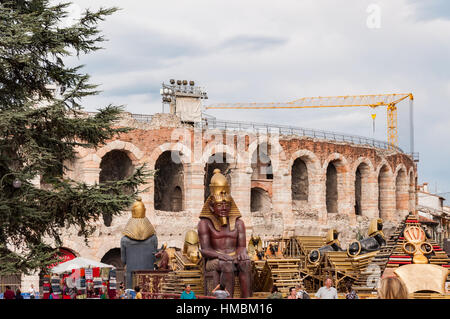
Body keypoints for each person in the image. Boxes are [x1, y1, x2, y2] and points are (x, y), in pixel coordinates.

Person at [198, 169, 252, 298]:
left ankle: (247, 298)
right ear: (211, 207)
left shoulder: (239, 223)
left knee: (246, 263)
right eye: (219, 205)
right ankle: (228, 299)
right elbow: (205, 250)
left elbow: (242, 247)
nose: (224, 208)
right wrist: (222, 256)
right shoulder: (204, 223)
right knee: (227, 265)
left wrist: (241, 255)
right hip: (214, 259)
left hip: (233, 256)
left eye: (227, 205)